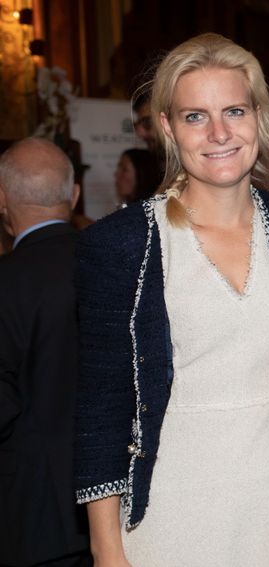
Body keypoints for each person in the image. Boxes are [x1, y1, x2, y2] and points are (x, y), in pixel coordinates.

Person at [73, 33, 269, 566]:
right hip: (178, 518)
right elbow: (102, 406)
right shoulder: (122, 244)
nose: (219, 132)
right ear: (167, 128)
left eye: (234, 110)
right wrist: (106, 549)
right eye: (195, 116)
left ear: (259, 117)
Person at [0, 138, 90, 566]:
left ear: (1, 200)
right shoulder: (117, 268)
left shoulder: (6, 283)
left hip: (29, 519)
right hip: (124, 504)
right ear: (73, 195)